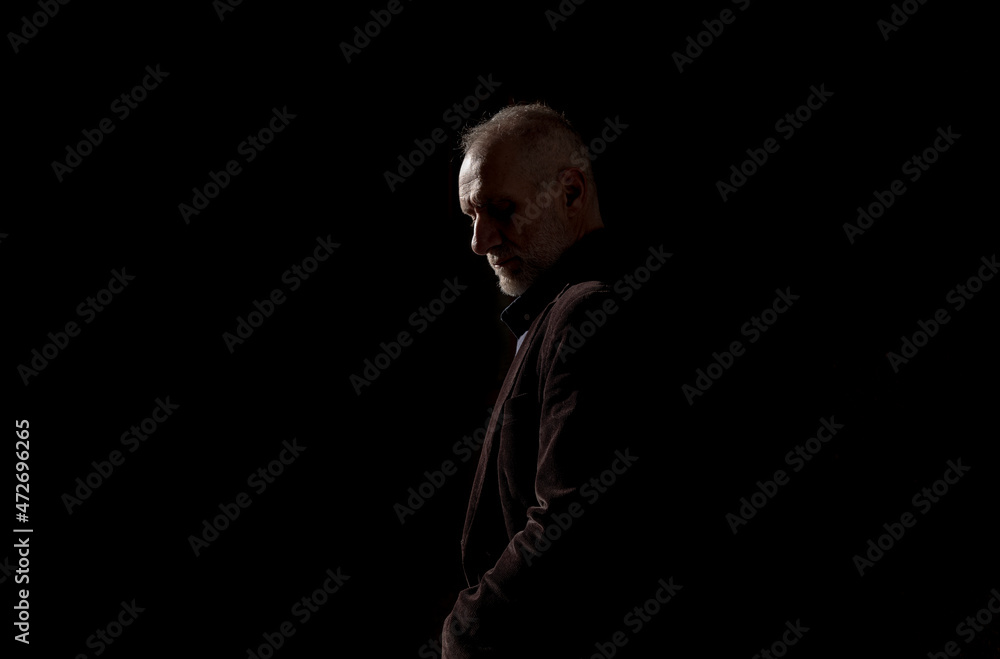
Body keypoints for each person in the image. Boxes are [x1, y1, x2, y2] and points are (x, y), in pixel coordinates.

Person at [442, 102, 671, 658]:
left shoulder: (586, 312)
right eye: (471, 216)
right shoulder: (556, 315)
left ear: (570, 192)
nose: (479, 241)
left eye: (501, 209)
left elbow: (572, 520)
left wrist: (466, 631)